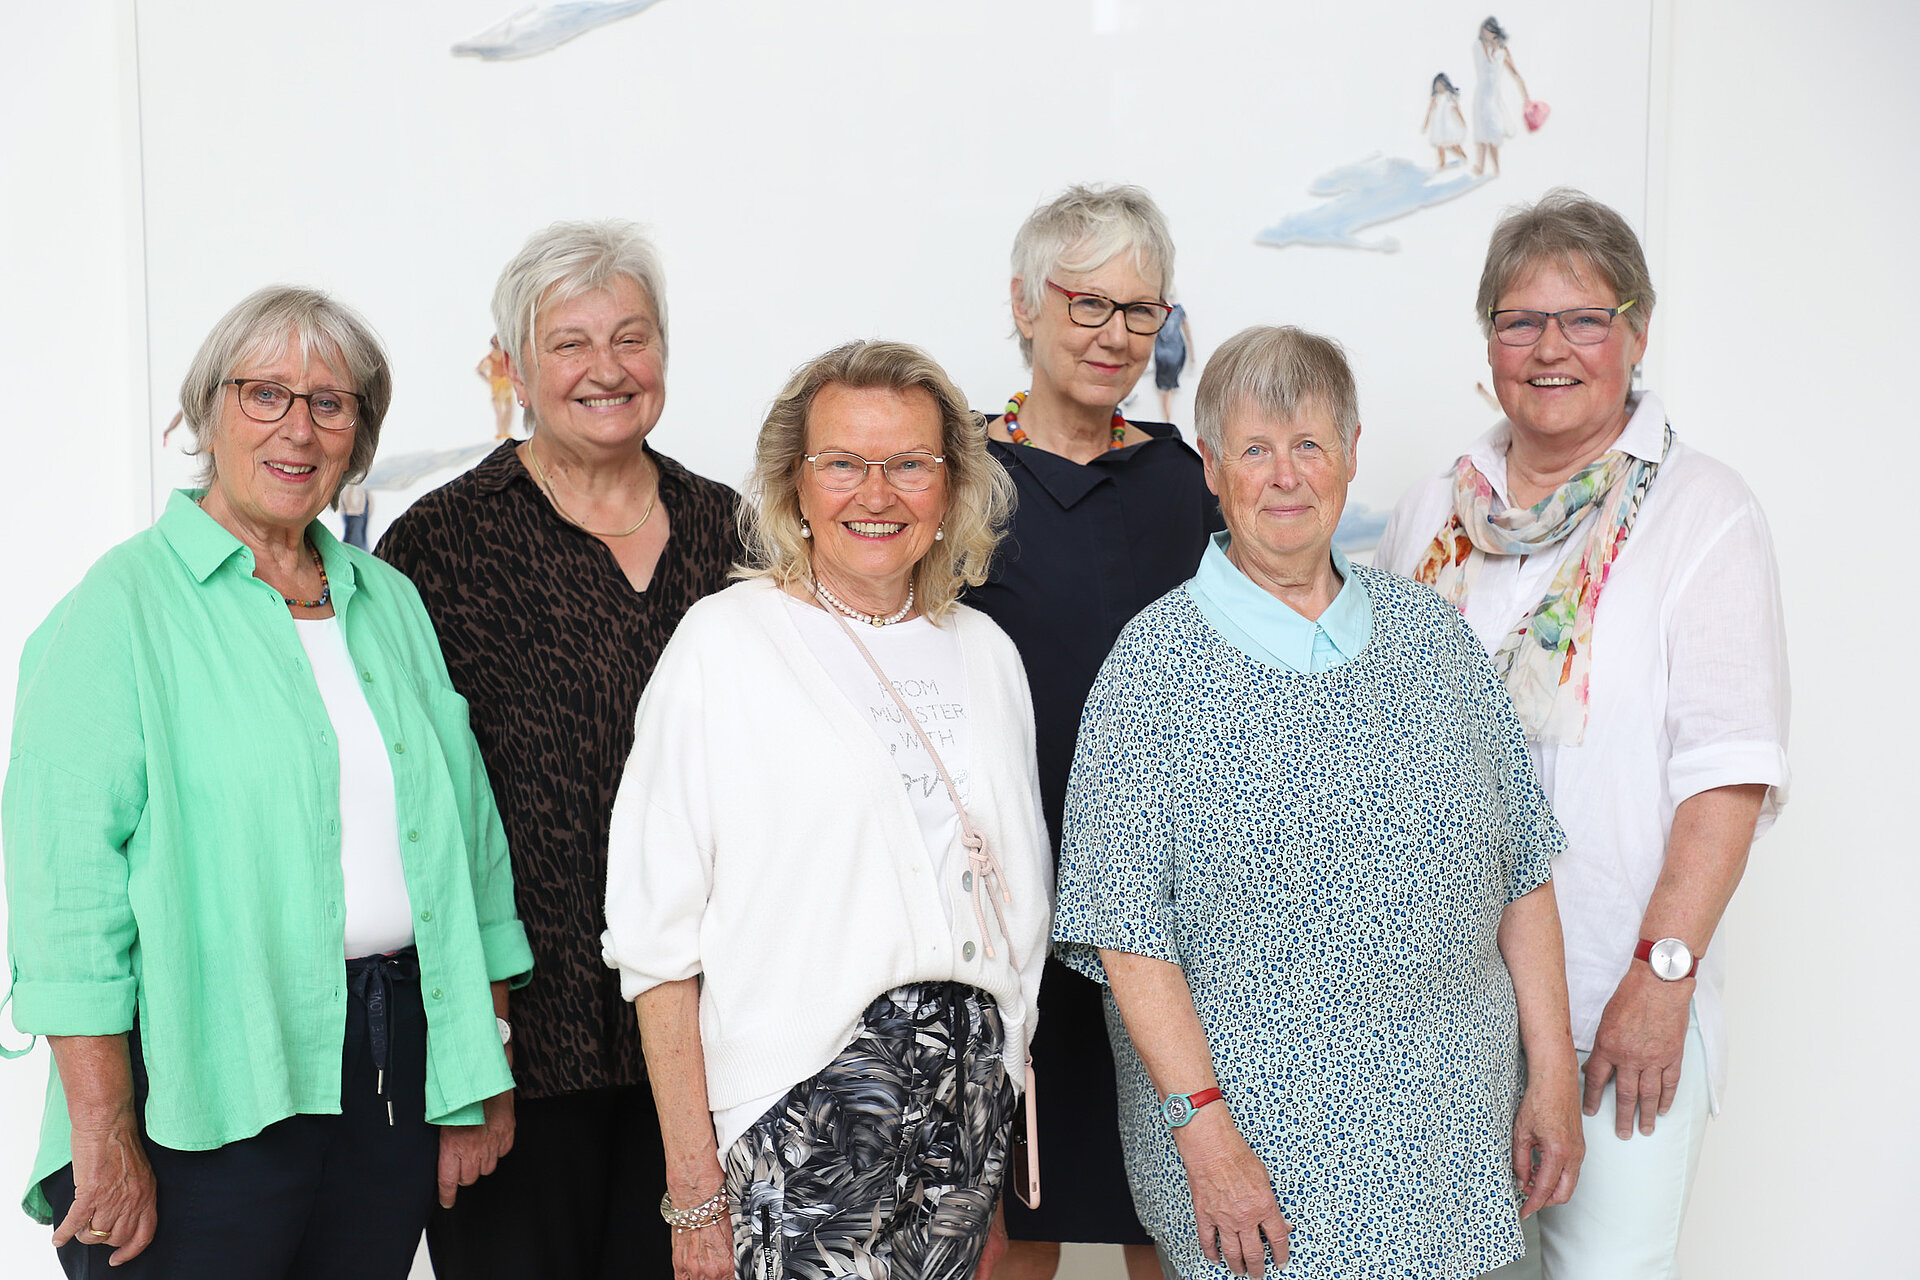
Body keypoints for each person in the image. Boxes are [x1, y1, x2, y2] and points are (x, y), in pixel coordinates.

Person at [2, 285, 533, 1278]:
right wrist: (105, 1130)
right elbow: (65, 899)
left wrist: (481, 1059)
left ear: (358, 436)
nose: (299, 426)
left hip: (392, 1065)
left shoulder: (391, 602)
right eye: (265, 394)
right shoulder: (119, 608)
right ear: (209, 409)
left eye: (331, 403)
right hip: (199, 1075)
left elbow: (472, 844)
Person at [1055, 325, 1585, 1280]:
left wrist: (1551, 1074)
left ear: (1349, 455)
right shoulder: (1151, 671)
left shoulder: (1434, 638)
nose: (1286, 475)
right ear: (1211, 468)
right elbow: (1128, 937)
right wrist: (1206, 1142)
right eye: (1255, 449)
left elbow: (1522, 875)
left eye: (1309, 444)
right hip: (1257, 1176)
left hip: (1458, 1154)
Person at [1377, 190, 1790, 1280]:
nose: (1550, 348)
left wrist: (1662, 979)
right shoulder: (1433, 511)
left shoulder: (1702, 512)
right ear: (1488, 340)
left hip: (1615, 998)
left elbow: (1726, 777)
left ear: (1637, 332)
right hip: (1440, 1008)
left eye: (1586, 318)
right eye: (1520, 320)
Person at [603, 340, 1051, 1280]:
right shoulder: (725, 644)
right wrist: (696, 1190)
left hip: (968, 1110)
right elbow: (656, 943)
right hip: (803, 1108)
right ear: (794, 486)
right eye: (842, 463)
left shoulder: (987, 653)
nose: (875, 494)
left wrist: (993, 1137)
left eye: (908, 464)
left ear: (952, 486)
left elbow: (1012, 914)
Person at [378, 219, 741, 1278]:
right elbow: (415, 817)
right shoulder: (440, 546)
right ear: (516, 369)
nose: (607, 369)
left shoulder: (734, 533)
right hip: (522, 1055)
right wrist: (463, 1056)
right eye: (571, 343)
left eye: (632, 337)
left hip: (712, 1044)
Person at [965, 182, 1221, 1280]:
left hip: (1164, 919)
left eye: (1140, 310)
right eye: (1087, 303)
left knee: (1173, 1220)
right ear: (1024, 305)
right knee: (1009, 1229)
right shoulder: (953, 475)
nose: (1115, 334)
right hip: (996, 911)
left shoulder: (1189, 484)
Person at [1471, 18, 1530, 177]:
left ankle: (1496, 168)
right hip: (1481, 95)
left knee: (1493, 131)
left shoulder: (1502, 51)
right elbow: (1482, 52)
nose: (1486, 34)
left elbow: (1515, 74)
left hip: (1493, 97)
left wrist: (1525, 96)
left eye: (1489, 31)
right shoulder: (1479, 47)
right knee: (1481, 131)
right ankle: (1481, 166)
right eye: (1484, 31)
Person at [1154, 300, 1194, 423]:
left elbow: (1188, 334)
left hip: (1170, 353)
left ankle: (1167, 419)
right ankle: (1167, 419)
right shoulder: (1168, 310)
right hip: (1170, 353)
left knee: (1165, 388)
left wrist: (1192, 356)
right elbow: (1188, 335)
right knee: (1166, 388)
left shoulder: (1171, 310)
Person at [1425, 72, 1469, 170]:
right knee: (1440, 145)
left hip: (1448, 123)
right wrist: (1426, 122)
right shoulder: (1435, 98)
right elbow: (1430, 110)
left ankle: (1463, 156)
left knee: (1453, 143)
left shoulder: (1450, 97)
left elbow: (1457, 110)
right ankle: (1442, 162)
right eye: (1437, 86)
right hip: (1438, 124)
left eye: (1441, 85)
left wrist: (1462, 121)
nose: (1439, 88)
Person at [478, 335, 516, 438]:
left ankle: (504, 432)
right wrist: (490, 380)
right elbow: (480, 369)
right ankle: (502, 433)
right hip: (499, 385)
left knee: (507, 408)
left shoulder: (505, 356)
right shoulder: (492, 358)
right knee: (501, 410)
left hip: (506, 384)